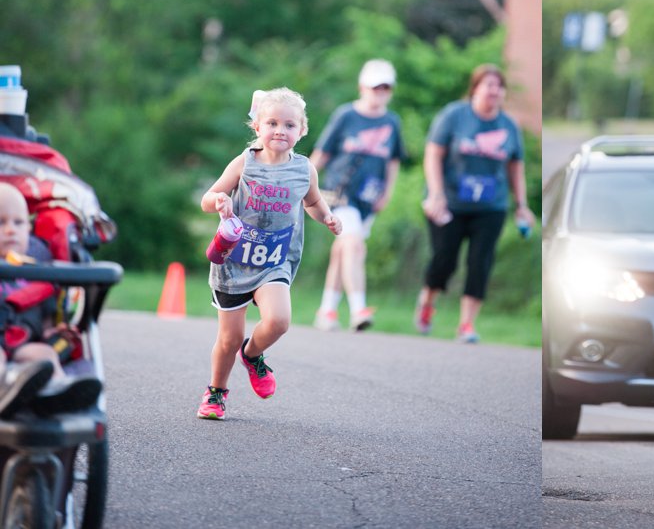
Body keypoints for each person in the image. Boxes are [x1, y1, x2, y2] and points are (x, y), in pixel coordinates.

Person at [197, 87, 342, 420]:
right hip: (233, 263)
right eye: (272, 123)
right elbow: (208, 198)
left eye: (289, 125)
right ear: (258, 127)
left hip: (274, 261)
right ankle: (216, 392)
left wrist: (327, 217)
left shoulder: (304, 170)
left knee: (278, 321)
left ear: (302, 130)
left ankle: (253, 354)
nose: (280, 130)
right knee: (228, 339)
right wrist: (219, 201)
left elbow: (314, 203)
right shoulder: (244, 163)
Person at [415, 64, 535, 344]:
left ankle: (466, 325)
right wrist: (436, 193)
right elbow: (433, 154)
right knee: (445, 259)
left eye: (499, 86)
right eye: (488, 85)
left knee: (480, 262)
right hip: (450, 202)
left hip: (490, 205)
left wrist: (521, 204)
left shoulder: (508, 126)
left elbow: (516, 166)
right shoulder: (455, 115)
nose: (494, 91)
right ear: (475, 88)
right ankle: (428, 300)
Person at [310, 59, 405, 332]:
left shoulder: (392, 122)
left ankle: (327, 310)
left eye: (385, 88)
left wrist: (388, 191)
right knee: (353, 245)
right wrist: (302, 182)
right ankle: (358, 308)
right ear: (362, 87)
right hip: (338, 193)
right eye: (375, 87)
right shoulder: (346, 115)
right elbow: (323, 152)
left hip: (369, 198)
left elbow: (393, 161)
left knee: (343, 251)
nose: (379, 93)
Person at [0, 182, 103, 415]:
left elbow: (43, 311)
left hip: (24, 340)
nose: (10, 230)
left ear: (29, 228)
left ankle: (54, 391)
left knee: (44, 355)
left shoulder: (39, 269)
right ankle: (4, 391)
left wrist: (50, 331)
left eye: (18, 223)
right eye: (1, 223)